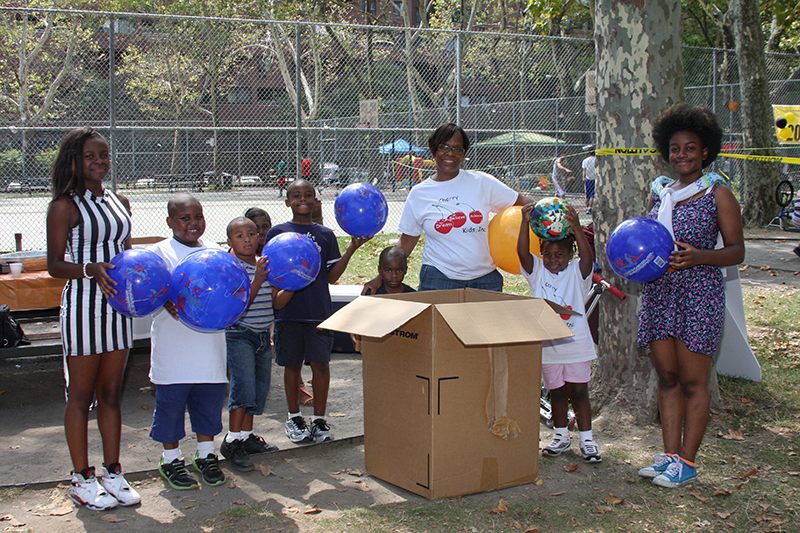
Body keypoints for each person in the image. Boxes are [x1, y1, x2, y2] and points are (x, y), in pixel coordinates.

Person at [637, 103, 744, 488]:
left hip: (698, 295)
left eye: (691, 148)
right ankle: (668, 456)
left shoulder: (718, 194)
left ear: (705, 151)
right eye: (676, 148)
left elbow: (737, 251)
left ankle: (688, 462)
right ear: (667, 151)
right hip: (660, 293)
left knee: (693, 382)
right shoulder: (661, 195)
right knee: (666, 378)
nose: (682, 154)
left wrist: (699, 256)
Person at [46, 127, 140, 510]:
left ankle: (113, 473)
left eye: (103, 155)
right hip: (84, 307)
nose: (99, 162)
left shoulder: (119, 200)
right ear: (74, 160)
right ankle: (82, 479)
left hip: (118, 307)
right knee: (81, 397)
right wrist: (89, 269)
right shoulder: (64, 206)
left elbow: (127, 251)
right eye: (90, 156)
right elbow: (54, 265)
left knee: (112, 395)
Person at [363, 123, 534, 294]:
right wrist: (379, 279)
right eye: (444, 147)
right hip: (438, 279)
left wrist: (552, 210)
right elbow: (407, 241)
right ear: (433, 150)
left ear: (463, 154)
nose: (450, 153)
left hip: (485, 280)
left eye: (457, 149)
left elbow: (522, 202)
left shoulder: (482, 182)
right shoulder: (419, 194)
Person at [266, 179, 369, 445]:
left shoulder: (325, 234)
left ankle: (319, 420)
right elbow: (273, 274)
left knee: (321, 365)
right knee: (292, 365)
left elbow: (332, 277)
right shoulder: (277, 232)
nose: (303, 199)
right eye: (296, 195)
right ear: (287, 201)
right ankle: (294, 417)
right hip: (289, 313)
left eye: (308, 195)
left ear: (316, 200)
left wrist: (351, 249)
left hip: (319, 312)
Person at [149, 194, 228, 490]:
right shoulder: (159, 253)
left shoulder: (215, 251)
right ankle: (170, 458)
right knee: (170, 407)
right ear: (170, 222)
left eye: (198, 216)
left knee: (207, 404)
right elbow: (149, 295)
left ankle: (206, 455)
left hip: (209, 349)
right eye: (185, 218)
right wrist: (165, 298)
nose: (193, 223)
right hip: (174, 349)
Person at [518, 203, 602, 463]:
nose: (554, 260)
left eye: (561, 255)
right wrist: (524, 222)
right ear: (541, 253)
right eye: (549, 254)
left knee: (579, 392)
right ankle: (561, 436)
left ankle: (587, 440)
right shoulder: (537, 272)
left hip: (576, 346)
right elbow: (522, 254)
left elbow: (588, 259)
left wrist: (576, 227)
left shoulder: (578, 272)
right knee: (556, 392)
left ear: (570, 255)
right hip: (548, 347)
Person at [220, 217, 278, 472]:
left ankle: (246, 436)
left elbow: (276, 300)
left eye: (252, 234)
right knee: (242, 386)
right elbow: (238, 304)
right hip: (239, 333)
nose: (247, 240)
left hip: (263, 335)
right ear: (230, 242)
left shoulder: (265, 264)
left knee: (258, 388)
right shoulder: (231, 268)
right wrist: (257, 279)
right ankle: (231, 440)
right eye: (240, 236)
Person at [581, 148, 596, 214]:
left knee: (587, 194)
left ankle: (587, 208)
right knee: (593, 194)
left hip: (588, 179)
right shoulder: (597, 160)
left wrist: (584, 177)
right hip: (595, 178)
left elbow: (584, 170)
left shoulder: (585, 160)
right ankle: (590, 207)